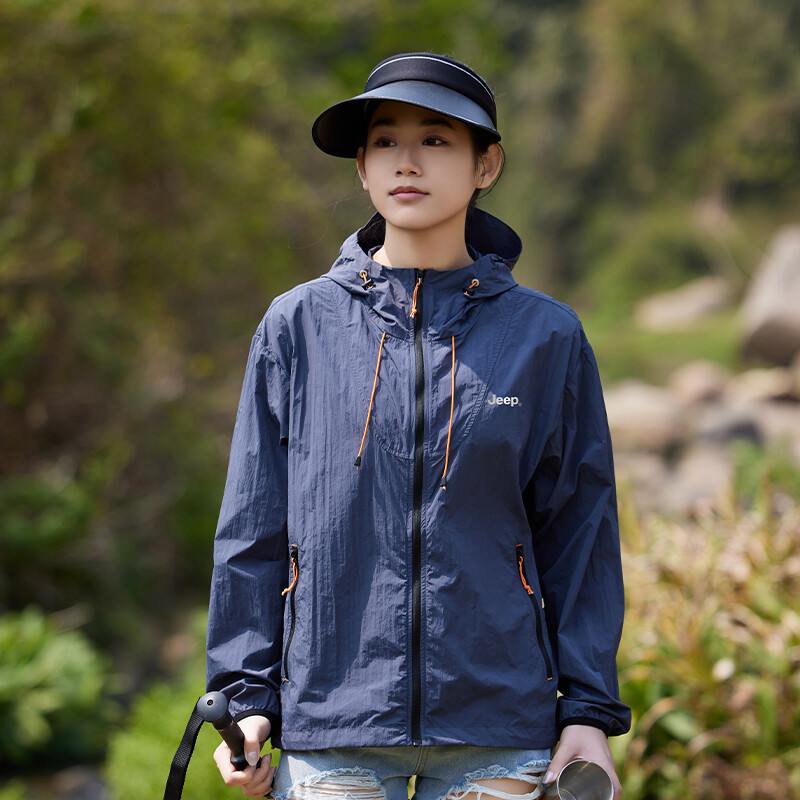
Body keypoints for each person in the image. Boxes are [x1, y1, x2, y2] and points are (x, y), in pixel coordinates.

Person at [207, 52, 631, 800]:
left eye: (436, 139)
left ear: (486, 164)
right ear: (362, 169)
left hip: (499, 723)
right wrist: (244, 702)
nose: (407, 161)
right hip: (331, 722)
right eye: (385, 141)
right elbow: (254, 528)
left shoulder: (546, 337)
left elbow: (580, 532)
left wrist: (588, 710)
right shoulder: (296, 326)